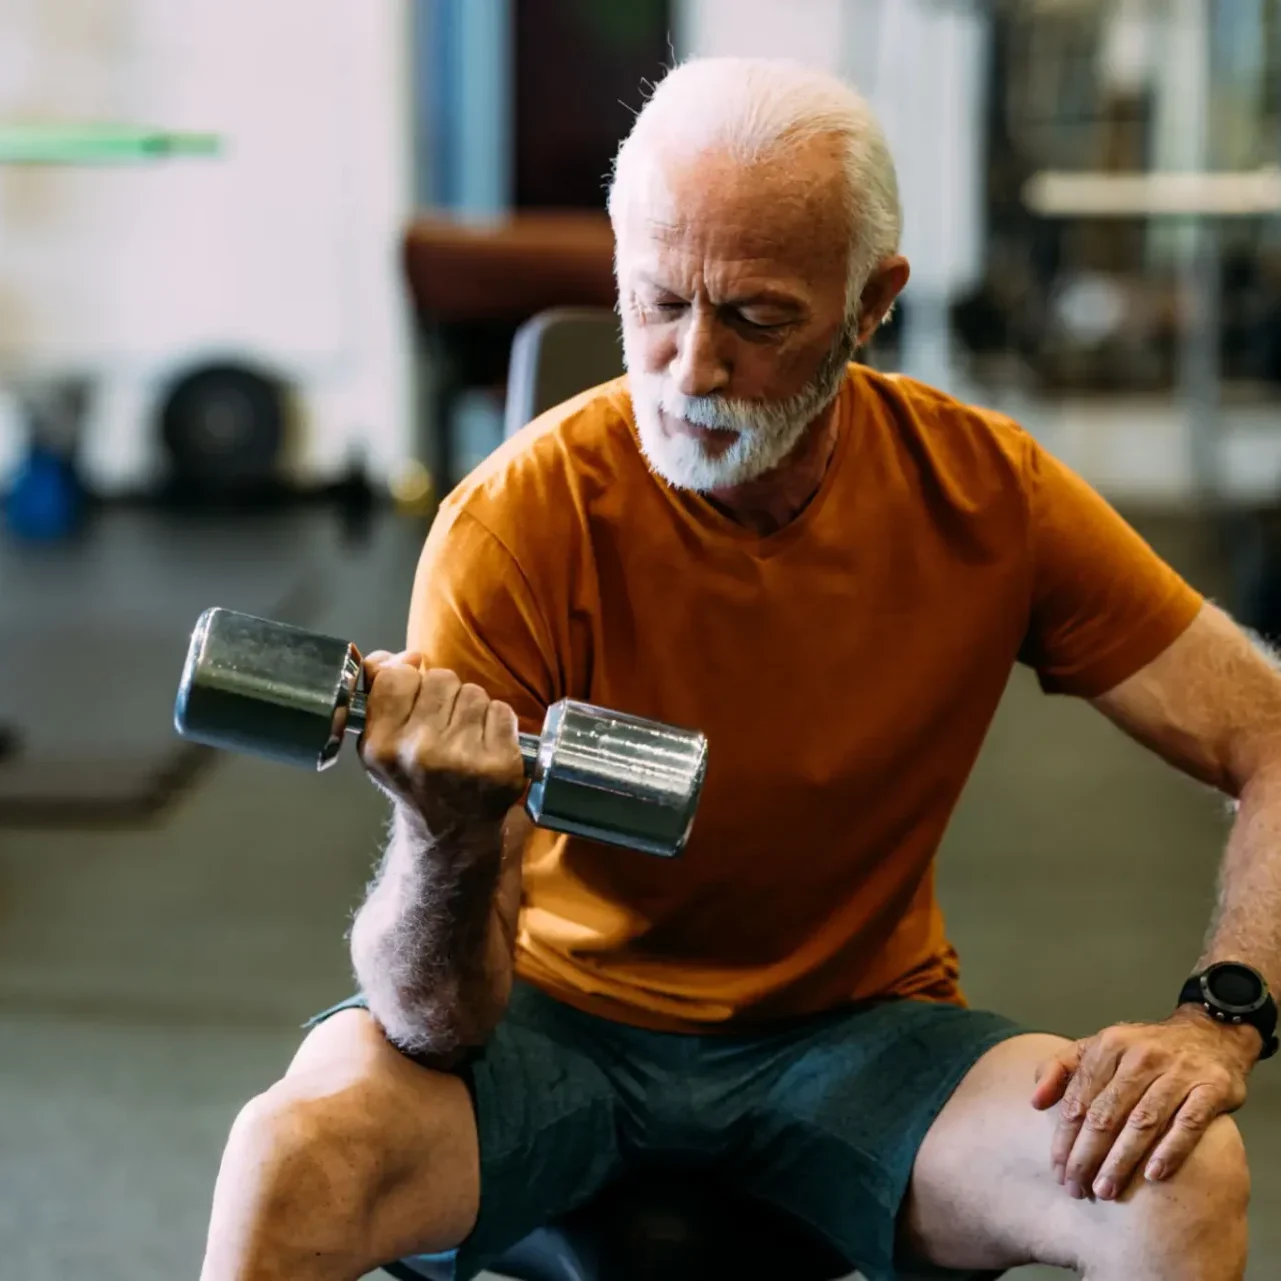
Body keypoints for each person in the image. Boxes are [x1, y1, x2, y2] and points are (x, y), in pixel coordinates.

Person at [201, 58, 1277, 1281]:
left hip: (861, 1035)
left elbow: (1271, 735)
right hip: (549, 1024)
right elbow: (437, 1019)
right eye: (656, 304)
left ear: (873, 303)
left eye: (759, 320)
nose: (693, 367)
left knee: (1178, 1183)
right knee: (290, 1157)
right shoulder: (518, 520)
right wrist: (449, 835)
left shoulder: (986, 493)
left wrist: (1220, 1024)